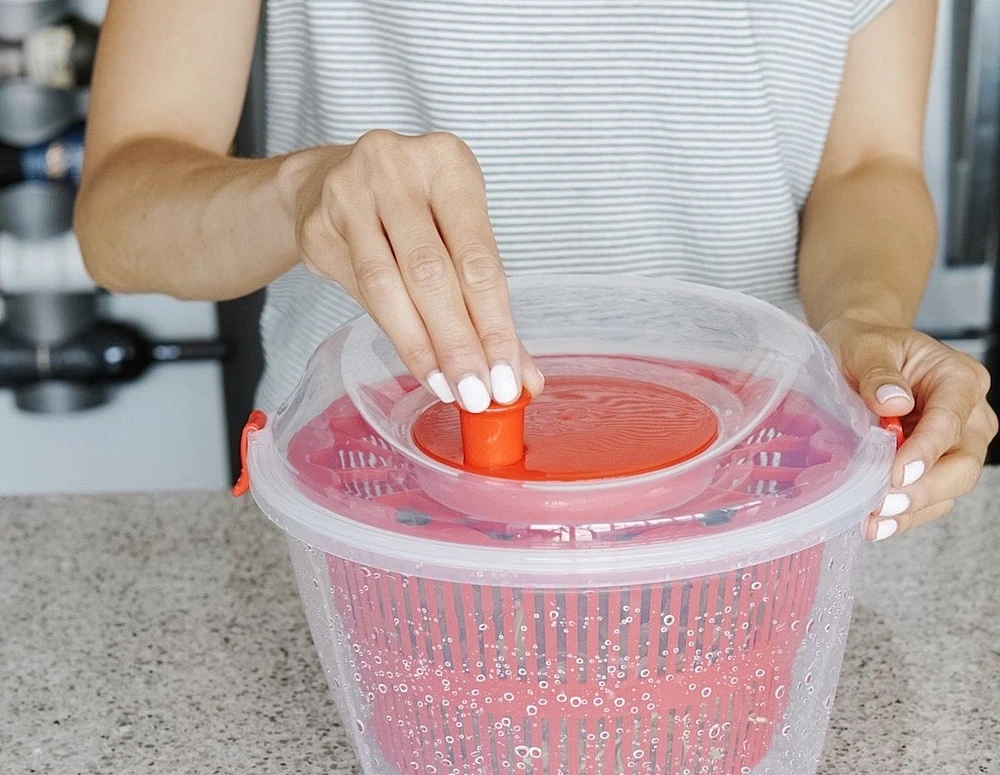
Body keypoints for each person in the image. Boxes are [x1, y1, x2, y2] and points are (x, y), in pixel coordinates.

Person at [74, 0, 996, 541]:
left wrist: (865, 319)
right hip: (371, 517)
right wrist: (300, 193)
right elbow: (121, 217)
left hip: (742, 514)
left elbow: (868, 167)